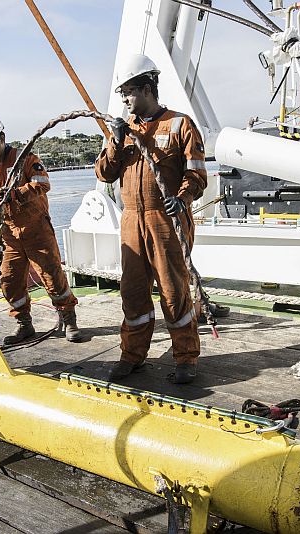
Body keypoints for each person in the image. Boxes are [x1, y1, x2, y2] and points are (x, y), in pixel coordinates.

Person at [95, 54, 207, 384]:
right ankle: (132, 355)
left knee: (174, 293)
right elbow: (103, 173)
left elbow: (198, 174)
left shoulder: (179, 124)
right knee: (132, 293)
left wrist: (182, 197)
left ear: (146, 89)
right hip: (132, 222)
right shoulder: (122, 131)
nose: (125, 101)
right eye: (122, 95)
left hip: (166, 221)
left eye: (128, 93)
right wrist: (116, 142)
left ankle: (186, 358)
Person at [0, 112, 82, 344]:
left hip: (36, 231)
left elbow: (42, 183)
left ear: (1, 138)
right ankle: (24, 324)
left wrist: (14, 195)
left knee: (52, 277)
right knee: (9, 281)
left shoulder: (26, 159)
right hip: (8, 236)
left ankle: (69, 320)